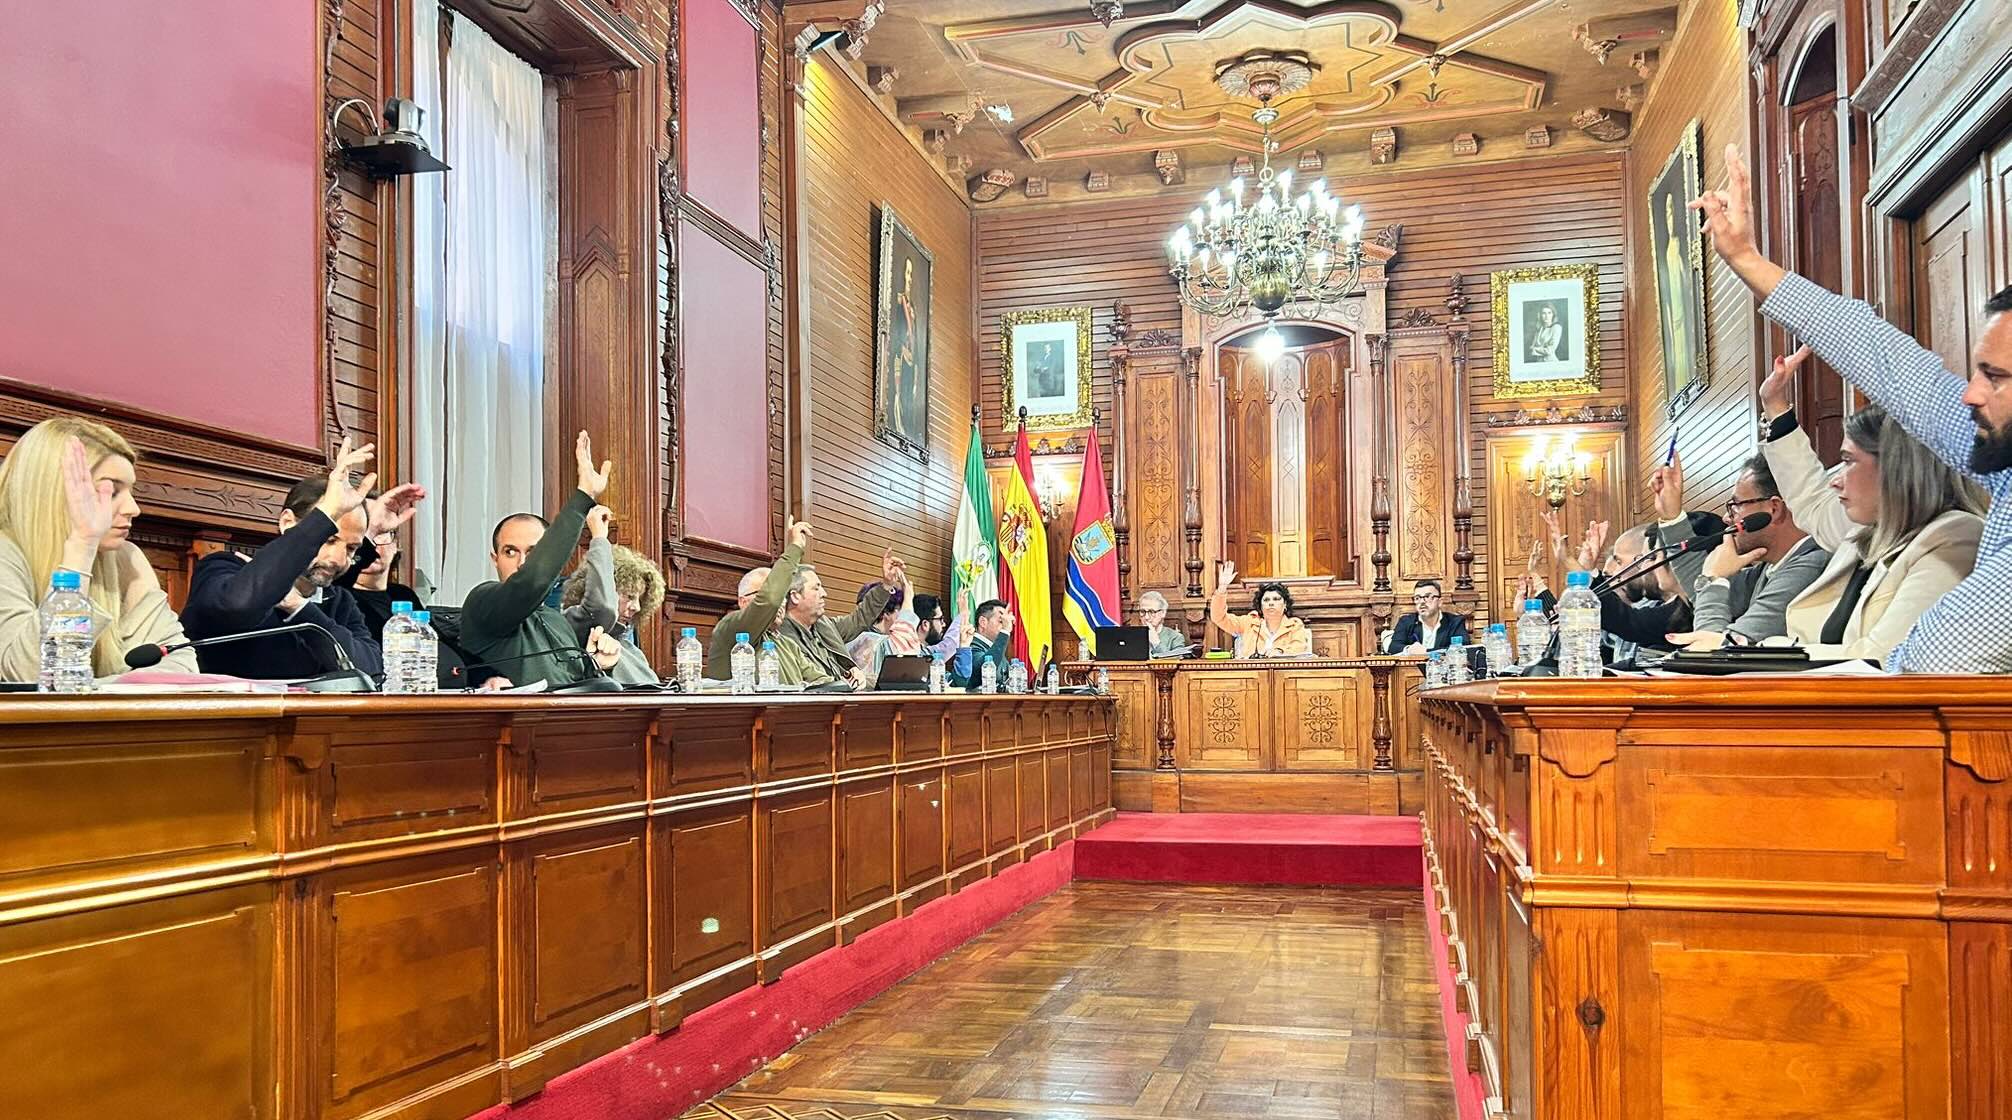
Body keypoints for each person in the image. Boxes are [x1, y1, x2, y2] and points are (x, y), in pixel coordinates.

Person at [1692, 143, 2012, 672]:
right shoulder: (1999, 461)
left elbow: (1924, 668)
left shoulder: (1955, 527)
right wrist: (1746, 260)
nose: (1971, 394)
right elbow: (1889, 363)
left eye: (1995, 378)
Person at [1762, 387, 1983, 662]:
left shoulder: (1956, 535)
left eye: (1847, 461)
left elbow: (1886, 656)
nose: (1835, 480)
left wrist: (1769, 653)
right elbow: (1811, 502)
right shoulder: (1863, 533)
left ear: (1896, 468)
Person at [181, 438, 419, 680]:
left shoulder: (338, 600)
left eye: (351, 549)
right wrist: (328, 513)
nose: (337, 559)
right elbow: (238, 605)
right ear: (287, 523)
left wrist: (298, 607)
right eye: (328, 540)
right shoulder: (225, 568)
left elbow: (369, 668)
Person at [0, 416, 199, 679]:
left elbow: (180, 667)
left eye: (130, 491)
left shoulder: (125, 559)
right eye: (110, 492)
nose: (133, 508)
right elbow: (33, 675)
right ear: (54, 492)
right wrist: (81, 547)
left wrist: (97, 689)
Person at [457, 431, 618, 687]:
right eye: (510, 552)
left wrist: (598, 665)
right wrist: (582, 498)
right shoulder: (481, 601)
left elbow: (577, 688)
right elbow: (531, 580)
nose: (522, 563)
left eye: (534, 553)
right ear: (494, 559)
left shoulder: (556, 619)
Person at [1666, 451, 1829, 648]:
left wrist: (1714, 580)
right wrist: (1672, 517)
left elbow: (1720, 653)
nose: (1727, 519)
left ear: (1774, 509)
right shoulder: (1770, 569)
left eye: (1735, 506)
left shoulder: (1809, 567)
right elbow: (1702, 595)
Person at [773, 548, 906, 689]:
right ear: (795, 596)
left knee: (895, 683)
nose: (824, 593)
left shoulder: (824, 624)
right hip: (822, 703)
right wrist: (847, 682)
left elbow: (859, 619)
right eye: (816, 588)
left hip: (844, 695)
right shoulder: (782, 636)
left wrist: (886, 585)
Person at [560, 542, 663, 686]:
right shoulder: (572, 632)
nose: (637, 607)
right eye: (629, 596)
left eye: (640, 600)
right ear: (608, 591)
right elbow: (601, 606)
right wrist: (599, 534)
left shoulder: (633, 652)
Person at [1207, 561, 1312, 658]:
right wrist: (1221, 589)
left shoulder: (1295, 625)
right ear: (1261, 606)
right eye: (1266, 600)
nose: (1271, 603)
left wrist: (1280, 652)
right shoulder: (1248, 623)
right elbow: (1218, 617)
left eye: (1276, 599)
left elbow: (1300, 648)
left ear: (1285, 604)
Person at [339, 520, 420, 641]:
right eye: (367, 537)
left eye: (380, 534)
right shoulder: (340, 596)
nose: (373, 546)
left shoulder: (404, 594)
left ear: (395, 544)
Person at [845, 579, 923, 685]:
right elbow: (904, 648)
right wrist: (908, 598)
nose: (901, 618)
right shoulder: (866, 639)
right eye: (900, 611)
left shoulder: (855, 636)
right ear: (886, 613)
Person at [1386, 580, 1468, 653]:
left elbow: (1463, 648)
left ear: (1440, 602)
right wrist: (1409, 649)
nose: (1422, 602)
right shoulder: (1406, 621)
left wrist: (1426, 651)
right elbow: (1393, 647)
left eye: (1427, 597)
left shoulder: (1455, 622)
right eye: (1417, 598)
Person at [950, 597, 1013, 689]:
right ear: (983, 622)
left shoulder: (996, 648)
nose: (1005, 624)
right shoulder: (971, 645)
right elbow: (983, 669)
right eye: (1001, 621)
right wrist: (1005, 631)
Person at [911, 592, 962, 662]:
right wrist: (963, 615)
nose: (943, 624)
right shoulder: (917, 656)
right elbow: (948, 646)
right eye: (940, 619)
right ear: (925, 624)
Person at [1138, 590, 1189, 656]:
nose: (1147, 617)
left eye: (1152, 612)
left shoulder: (1175, 637)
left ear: (1163, 613)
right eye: (1142, 611)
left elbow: (1174, 661)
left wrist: (1156, 643)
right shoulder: (1133, 636)